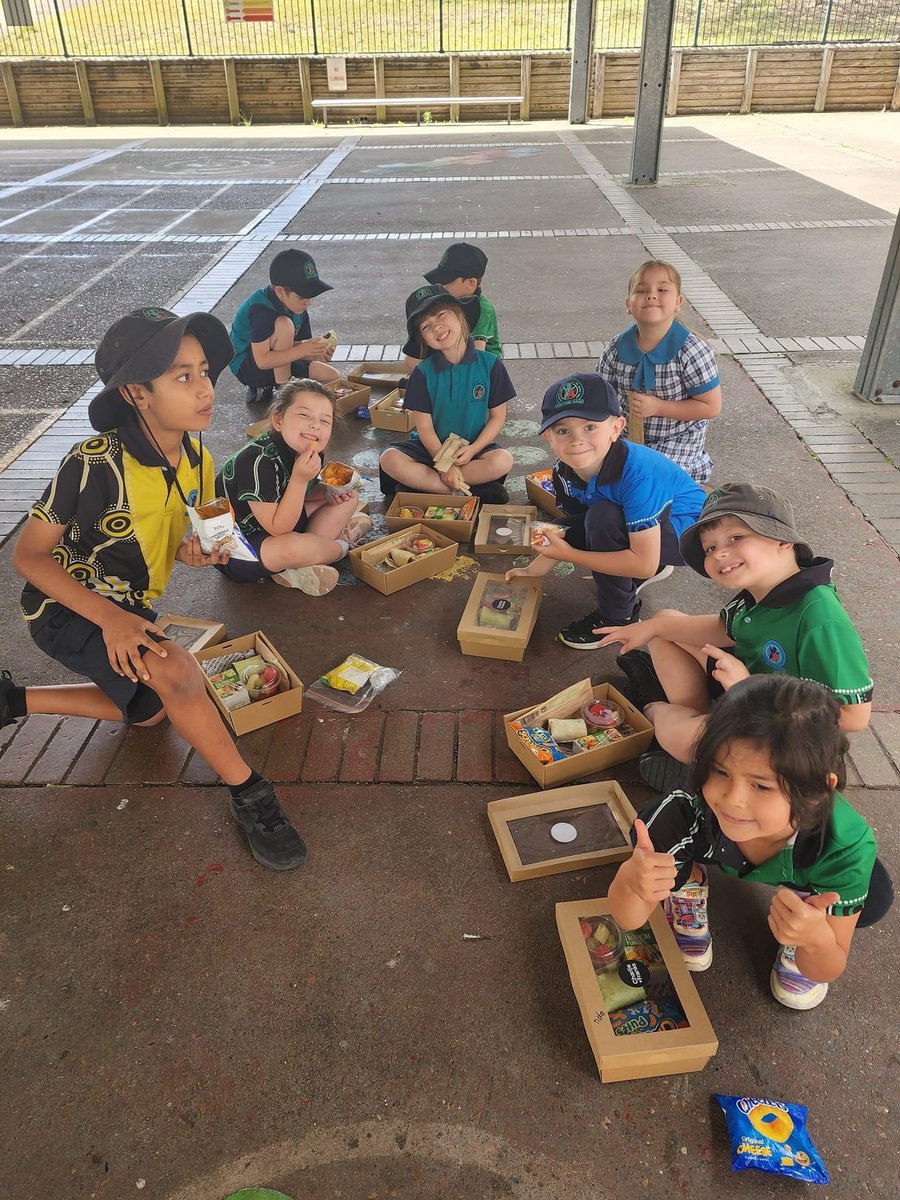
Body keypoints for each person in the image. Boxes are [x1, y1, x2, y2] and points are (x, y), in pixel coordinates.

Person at [0, 307, 307, 872]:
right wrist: (112, 619)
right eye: (182, 377)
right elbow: (27, 556)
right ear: (138, 394)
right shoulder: (93, 464)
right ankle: (251, 793)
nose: (205, 389)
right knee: (177, 671)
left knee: (152, 715)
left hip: (127, 605)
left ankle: (12, 701)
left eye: (206, 371)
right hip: (62, 606)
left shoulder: (200, 456)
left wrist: (200, 549)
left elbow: (210, 536)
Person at [607, 675, 892, 1010]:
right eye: (721, 771)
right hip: (704, 841)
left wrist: (815, 941)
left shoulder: (844, 847)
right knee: (654, 858)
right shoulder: (685, 812)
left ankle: (803, 912)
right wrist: (631, 883)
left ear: (818, 789)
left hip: (812, 868)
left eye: (762, 786)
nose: (732, 800)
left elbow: (830, 966)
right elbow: (628, 918)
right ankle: (687, 881)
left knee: (873, 899)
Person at [599, 484, 873, 794]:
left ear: (782, 539)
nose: (720, 553)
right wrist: (648, 628)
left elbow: (854, 717)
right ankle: (707, 731)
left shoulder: (821, 618)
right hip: (743, 690)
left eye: (736, 537)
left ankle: (653, 705)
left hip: (786, 736)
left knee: (679, 734)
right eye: (710, 548)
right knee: (664, 623)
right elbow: (722, 629)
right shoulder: (765, 589)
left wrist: (748, 689)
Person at [506, 373, 706, 648]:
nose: (577, 440)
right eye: (563, 430)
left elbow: (635, 555)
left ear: (616, 428)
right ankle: (639, 566)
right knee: (572, 524)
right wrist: (533, 571)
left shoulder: (638, 473)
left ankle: (618, 617)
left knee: (603, 521)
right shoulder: (563, 472)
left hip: (689, 533)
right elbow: (568, 529)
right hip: (647, 527)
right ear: (548, 437)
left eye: (590, 427)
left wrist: (575, 556)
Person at [215, 378, 371, 597]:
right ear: (278, 421)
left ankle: (299, 567)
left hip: (280, 521)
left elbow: (301, 496)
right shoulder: (256, 461)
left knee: (349, 497)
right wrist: (299, 479)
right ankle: (341, 545)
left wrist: (328, 492)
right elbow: (279, 529)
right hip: (239, 547)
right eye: (304, 415)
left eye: (325, 421)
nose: (315, 425)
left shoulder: (308, 449)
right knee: (292, 547)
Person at [380, 285, 514, 502]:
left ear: (460, 315)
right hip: (431, 450)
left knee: (502, 460)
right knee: (389, 458)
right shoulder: (422, 373)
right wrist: (443, 466)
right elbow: (424, 427)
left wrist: (473, 450)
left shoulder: (491, 365)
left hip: (471, 449)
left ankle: (427, 487)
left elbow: (498, 417)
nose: (436, 326)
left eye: (441, 314)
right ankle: (462, 490)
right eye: (426, 326)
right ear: (423, 339)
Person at [596, 259, 721, 483]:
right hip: (626, 436)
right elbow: (601, 399)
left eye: (662, 289)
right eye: (641, 290)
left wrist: (658, 407)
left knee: (651, 476)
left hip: (678, 439)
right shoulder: (615, 349)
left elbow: (711, 406)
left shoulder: (692, 351)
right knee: (592, 467)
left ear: (678, 302)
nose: (651, 295)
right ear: (628, 304)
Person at [229, 248, 339, 407]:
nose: (308, 302)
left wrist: (315, 352)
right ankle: (283, 392)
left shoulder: (298, 307)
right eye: (302, 296)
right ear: (280, 291)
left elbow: (293, 348)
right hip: (249, 365)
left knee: (331, 376)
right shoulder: (261, 309)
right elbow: (262, 360)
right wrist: (303, 350)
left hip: (278, 359)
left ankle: (287, 388)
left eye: (310, 295)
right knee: (284, 325)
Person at [402, 241, 502, 370]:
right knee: (410, 360)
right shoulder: (451, 303)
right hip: (453, 352)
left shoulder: (483, 309)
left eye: (446, 282)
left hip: (481, 371)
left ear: (471, 283)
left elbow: (477, 353)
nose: (441, 286)